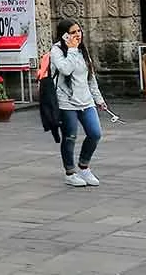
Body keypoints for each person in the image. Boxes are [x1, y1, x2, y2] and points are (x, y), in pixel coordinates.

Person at [48, 18, 109, 188]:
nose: (77, 35)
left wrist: (99, 99)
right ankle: (70, 172)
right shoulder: (57, 50)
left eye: (79, 31)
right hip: (66, 102)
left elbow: (90, 78)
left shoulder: (83, 51)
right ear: (64, 35)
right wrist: (72, 50)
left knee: (95, 133)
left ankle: (84, 166)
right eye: (73, 32)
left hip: (86, 100)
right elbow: (65, 69)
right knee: (70, 137)